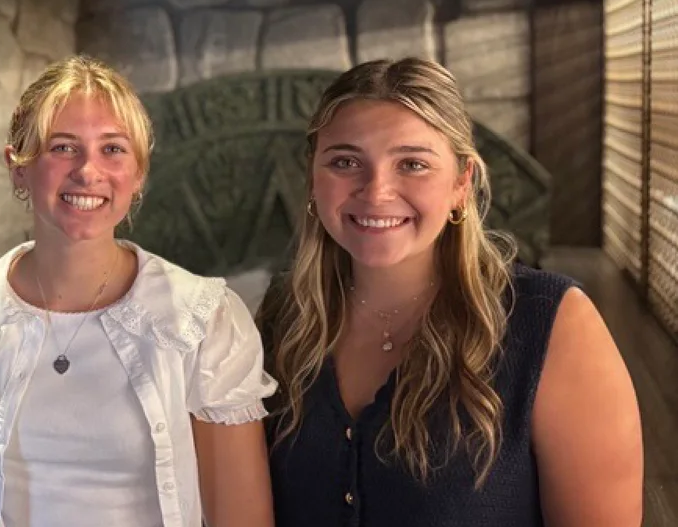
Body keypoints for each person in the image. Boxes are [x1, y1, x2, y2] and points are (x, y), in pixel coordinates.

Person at [261, 58, 643, 526]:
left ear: (462, 182)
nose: (376, 191)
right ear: (313, 178)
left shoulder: (552, 325)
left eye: (413, 164)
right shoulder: (282, 319)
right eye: (345, 161)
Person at [0, 55, 277, 527]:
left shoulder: (202, 318)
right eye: (63, 147)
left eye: (113, 149)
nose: (88, 171)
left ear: (139, 173)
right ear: (17, 167)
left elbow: (241, 520)